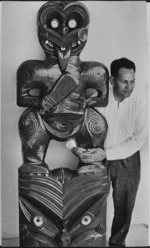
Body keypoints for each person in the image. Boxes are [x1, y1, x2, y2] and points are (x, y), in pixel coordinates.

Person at [66, 57, 148, 247]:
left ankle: (117, 244)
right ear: (112, 81)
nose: (129, 86)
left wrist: (107, 154)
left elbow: (138, 140)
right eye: (124, 81)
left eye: (132, 81)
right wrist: (75, 148)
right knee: (88, 205)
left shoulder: (140, 104)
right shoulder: (95, 99)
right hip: (94, 158)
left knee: (124, 209)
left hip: (128, 160)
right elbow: (69, 127)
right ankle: (87, 243)